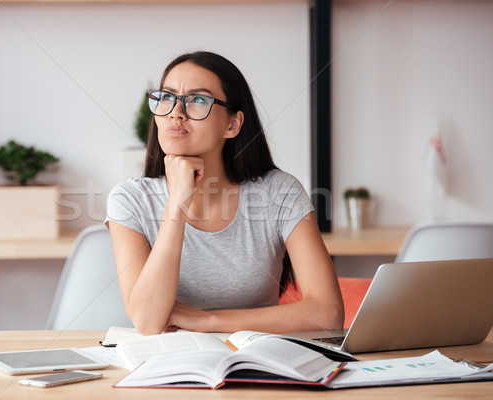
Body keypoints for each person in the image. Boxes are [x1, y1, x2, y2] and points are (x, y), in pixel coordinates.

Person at [105, 51, 343, 335]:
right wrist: (178, 203)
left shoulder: (280, 192)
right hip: (168, 366)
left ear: (232, 124)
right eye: (166, 97)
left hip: (258, 360)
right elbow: (148, 321)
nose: (175, 113)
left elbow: (328, 313)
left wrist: (208, 321)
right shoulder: (129, 200)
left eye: (198, 100)